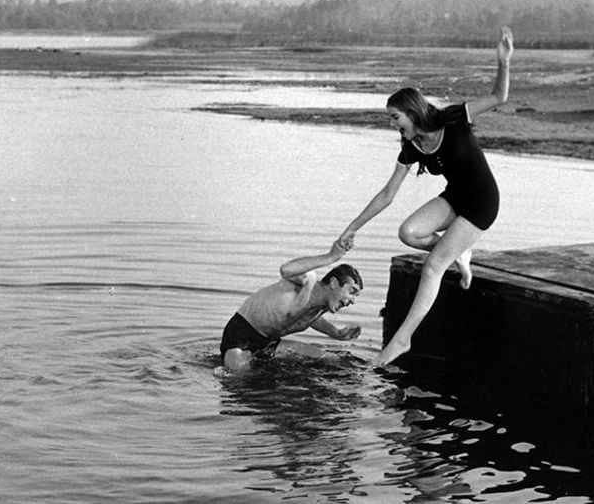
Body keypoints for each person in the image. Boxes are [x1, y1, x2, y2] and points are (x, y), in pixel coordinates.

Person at [338, 26, 513, 367]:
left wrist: (503, 61)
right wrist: (352, 228)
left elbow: (498, 97)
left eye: (395, 117)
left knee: (433, 266)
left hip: (481, 203)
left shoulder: (452, 117)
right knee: (408, 233)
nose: (393, 125)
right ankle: (459, 254)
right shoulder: (412, 147)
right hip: (455, 197)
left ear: (412, 112)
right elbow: (387, 194)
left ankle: (402, 340)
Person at [220, 240, 363, 372]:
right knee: (241, 379)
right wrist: (330, 257)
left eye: (356, 296)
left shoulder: (321, 306)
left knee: (331, 360)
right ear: (333, 283)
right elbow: (285, 269)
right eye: (352, 292)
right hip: (241, 336)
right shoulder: (308, 281)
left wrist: (336, 333)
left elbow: (306, 316)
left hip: (270, 343)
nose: (353, 300)